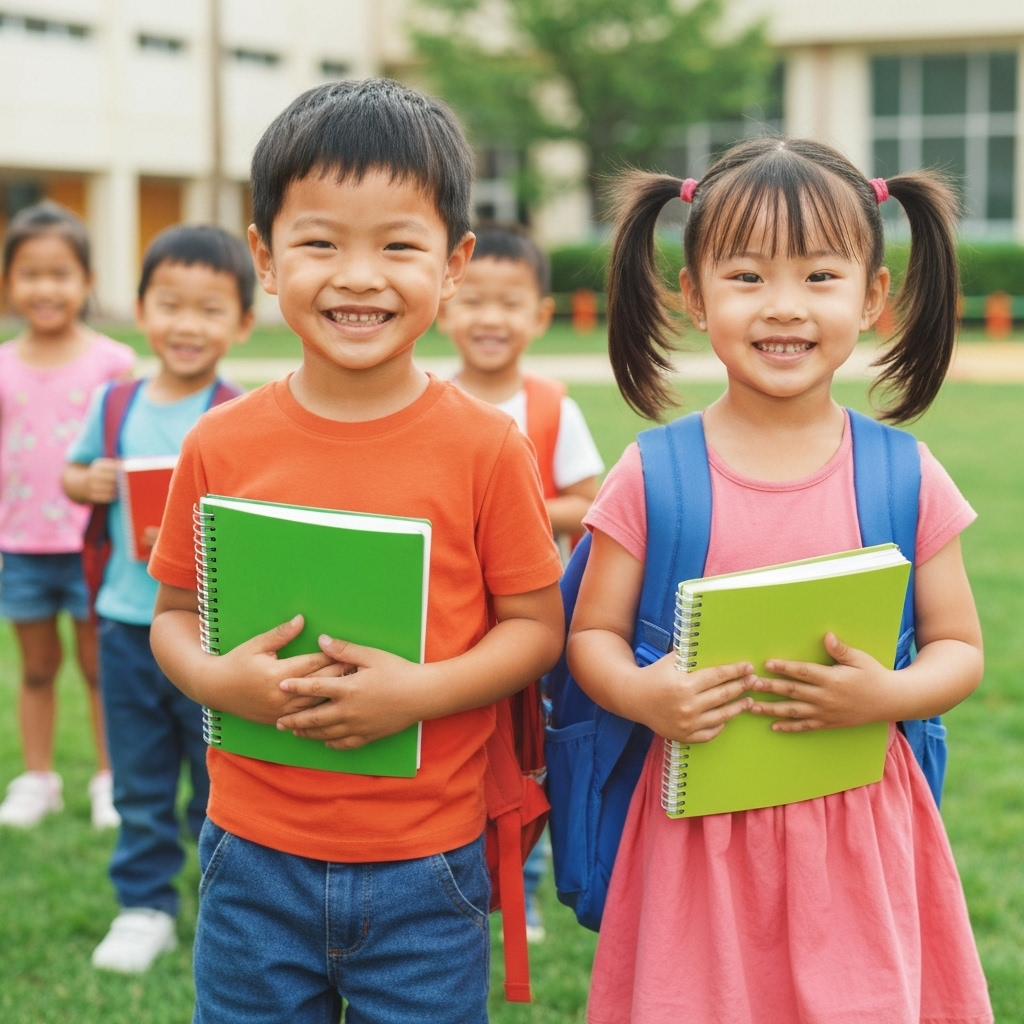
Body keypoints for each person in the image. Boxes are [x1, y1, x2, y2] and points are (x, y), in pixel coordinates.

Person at [146, 79, 564, 1023]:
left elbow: (537, 630)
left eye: (399, 246)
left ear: (454, 263)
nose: (359, 276)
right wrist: (221, 683)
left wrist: (418, 693)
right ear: (264, 256)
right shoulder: (220, 442)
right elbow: (172, 617)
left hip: (427, 865)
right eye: (321, 242)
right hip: (250, 852)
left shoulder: (488, 445)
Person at [569, 138, 992, 1023]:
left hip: (859, 833)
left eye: (820, 277)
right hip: (697, 839)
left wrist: (889, 693)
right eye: (748, 277)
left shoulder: (906, 476)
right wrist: (646, 696)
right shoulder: (653, 474)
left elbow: (959, 650)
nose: (784, 308)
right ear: (693, 296)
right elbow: (590, 637)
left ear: (873, 297)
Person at [62, 225, 254, 973]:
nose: (186, 324)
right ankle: (143, 904)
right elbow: (75, 476)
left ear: (242, 323)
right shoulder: (114, 404)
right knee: (141, 779)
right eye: (169, 304)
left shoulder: (241, 413)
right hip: (125, 626)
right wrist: (90, 481)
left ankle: (228, 901)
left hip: (215, 636)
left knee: (219, 782)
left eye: (209, 310)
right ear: (141, 311)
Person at [438, 222, 605, 941]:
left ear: (539, 316)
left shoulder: (549, 406)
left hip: (533, 620)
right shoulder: (429, 401)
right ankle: (460, 871)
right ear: (445, 305)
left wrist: (512, 507)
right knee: (467, 750)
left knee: (528, 757)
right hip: (449, 624)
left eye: (510, 304)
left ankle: (521, 885)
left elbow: (589, 502)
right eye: (474, 300)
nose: (490, 319)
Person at [0, 202, 134, 830]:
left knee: (97, 666)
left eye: (61, 273)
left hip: (91, 545)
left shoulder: (110, 362)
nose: (46, 288)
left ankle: (111, 778)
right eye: (30, 273)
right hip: (19, 546)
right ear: (9, 282)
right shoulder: (2, 364)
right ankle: (38, 778)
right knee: (35, 667)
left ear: (86, 281)